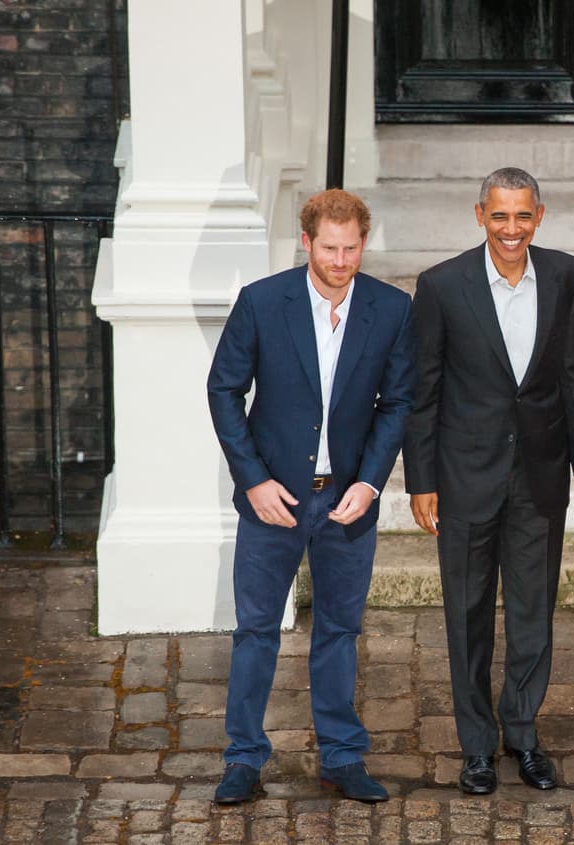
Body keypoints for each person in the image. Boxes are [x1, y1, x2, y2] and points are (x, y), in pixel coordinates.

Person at [206, 189, 414, 804]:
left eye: (351, 249)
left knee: (340, 630)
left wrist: (370, 483)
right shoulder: (262, 302)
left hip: (347, 499)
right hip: (272, 498)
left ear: (363, 243)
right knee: (255, 631)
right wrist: (253, 479)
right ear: (306, 242)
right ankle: (243, 758)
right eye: (329, 248)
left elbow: (398, 403)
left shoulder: (391, 308)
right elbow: (224, 390)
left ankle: (342, 757)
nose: (341, 261)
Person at [404, 167, 574, 795]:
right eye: (499, 215)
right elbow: (423, 390)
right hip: (464, 477)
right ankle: (476, 746)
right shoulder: (442, 285)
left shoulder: (567, 275)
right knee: (466, 615)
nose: (510, 228)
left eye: (522, 216)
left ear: (539, 216)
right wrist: (421, 479)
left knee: (532, 611)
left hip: (540, 473)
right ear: (479, 215)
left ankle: (522, 732)